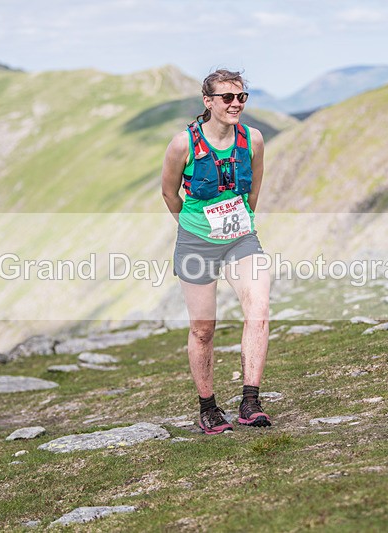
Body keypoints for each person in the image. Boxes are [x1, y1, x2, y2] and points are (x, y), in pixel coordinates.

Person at [161, 69, 271, 435]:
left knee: (259, 309)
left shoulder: (253, 139)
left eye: (241, 97)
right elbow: (169, 193)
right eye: (227, 97)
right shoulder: (183, 144)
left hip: (241, 237)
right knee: (204, 329)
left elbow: (254, 186)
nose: (236, 103)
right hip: (197, 240)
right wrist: (194, 228)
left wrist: (246, 221)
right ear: (208, 102)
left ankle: (250, 402)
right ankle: (208, 408)